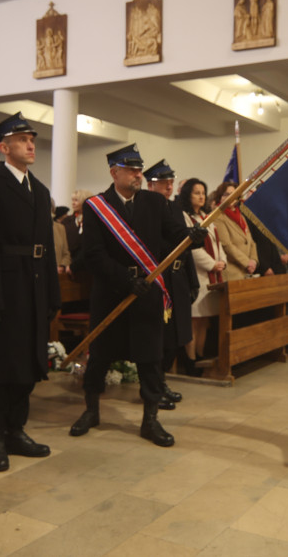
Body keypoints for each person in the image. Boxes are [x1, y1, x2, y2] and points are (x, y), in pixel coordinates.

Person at [69, 144, 206, 447]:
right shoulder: (96, 206)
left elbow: (173, 234)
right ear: (114, 172)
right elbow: (93, 255)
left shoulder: (154, 202)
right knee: (100, 356)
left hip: (147, 292)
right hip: (111, 293)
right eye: (131, 169)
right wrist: (125, 279)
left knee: (150, 357)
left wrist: (193, 237)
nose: (138, 175)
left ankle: (150, 419)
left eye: (139, 169)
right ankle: (91, 411)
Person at [0, 112, 61, 472]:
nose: (30, 145)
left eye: (32, 139)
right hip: (3, 288)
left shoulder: (40, 190)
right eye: (22, 140)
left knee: (26, 364)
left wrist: (52, 293)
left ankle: (16, 429)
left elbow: (46, 248)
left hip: (33, 287)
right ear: (4, 148)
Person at [144, 159, 198, 408]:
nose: (168, 186)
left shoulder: (176, 209)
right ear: (150, 185)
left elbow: (185, 247)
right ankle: (154, 387)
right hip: (161, 280)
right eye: (163, 182)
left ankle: (162, 382)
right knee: (161, 338)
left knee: (177, 336)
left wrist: (192, 281)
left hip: (179, 279)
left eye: (170, 182)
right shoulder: (145, 208)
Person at [178, 178, 226, 368]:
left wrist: (222, 261)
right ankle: (190, 360)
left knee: (204, 321)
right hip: (197, 274)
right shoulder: (184, 216)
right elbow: (191, 248)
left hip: (212, 276)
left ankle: (200, 355)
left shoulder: (206, 217)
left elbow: (217, 243)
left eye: (203, 193)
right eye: (196, 193)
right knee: (194, 321)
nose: (201, 196)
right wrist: (212, 264)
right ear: (187, 195)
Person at [211, 181, 258, 281]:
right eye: (226, 194)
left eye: (233, 194)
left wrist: (253, 260)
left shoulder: (240, 215)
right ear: (220, 197)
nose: (231, 197)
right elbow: (226, 245)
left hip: (246, 271)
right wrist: (247, 262)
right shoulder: (218, 216)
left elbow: (251, 241)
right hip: (232, 272)